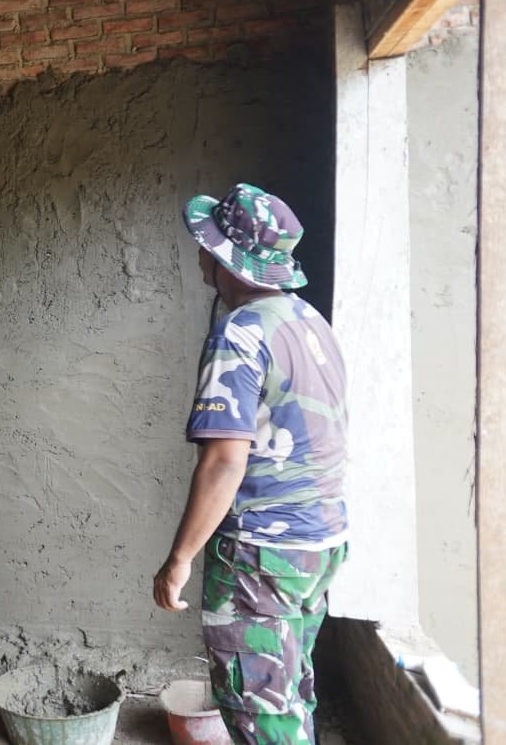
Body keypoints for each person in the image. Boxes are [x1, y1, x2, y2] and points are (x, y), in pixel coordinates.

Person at [153, 183, 349, 744]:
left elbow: (223, 463)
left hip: (262, 555)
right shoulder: (309, 323)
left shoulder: (241, 333)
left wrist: (179, 559)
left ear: (227, 261)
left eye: (207, 246)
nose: (200, 254)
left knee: (260, 713)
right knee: (288, 696)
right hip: (319, 544)